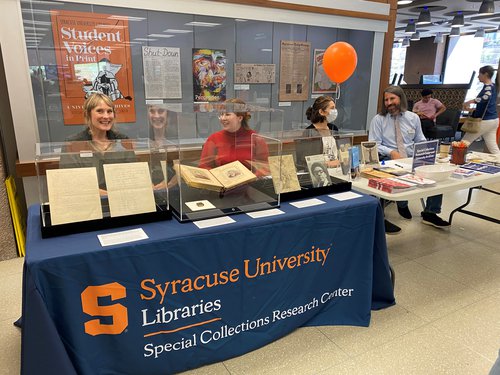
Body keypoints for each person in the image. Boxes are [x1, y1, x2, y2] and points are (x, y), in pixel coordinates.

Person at [369, 86, 450, 232]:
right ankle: (399, 205)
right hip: (389, 159)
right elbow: (374, 144)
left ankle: (430, 213)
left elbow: (421, 139)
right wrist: (392, 152)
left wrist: (429, 153)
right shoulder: (378, 120)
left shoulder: (413, 118)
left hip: (412, 157)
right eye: (386, 100)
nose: (389, 103)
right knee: (382, 175)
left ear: (401, 99)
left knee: (435, 174)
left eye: (392, 99)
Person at [62, 93, 134, 194]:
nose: (106, 116)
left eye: (109, 111)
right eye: (100, 111)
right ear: (88, 114)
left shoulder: (123, 141)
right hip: (87, 202)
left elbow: (132, 176)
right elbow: (69, 181)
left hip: (120, 200)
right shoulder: (73, 144)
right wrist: (96, 192)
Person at [199, 98, 269, 175]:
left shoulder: (256, 139)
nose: (222, 118)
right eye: (221, 114)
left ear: (240, 118)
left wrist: (251, 177)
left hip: (249, 184)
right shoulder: (213, 139)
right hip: (222, 184)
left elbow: (264, 167)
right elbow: (204, 167)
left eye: (227, 114)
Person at [463, 65, 499, 154]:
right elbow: (487, 103)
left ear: (485, 74)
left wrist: (470, 101)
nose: (478, 76)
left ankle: (456, 160)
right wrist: (472, 109)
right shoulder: (493, 86)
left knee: (463, 143)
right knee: (493, 146)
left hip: (485, 120)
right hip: (493, 119)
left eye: (479, 74)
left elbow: (485, 98)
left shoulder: (488, 87)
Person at [304, 96, 340, 167]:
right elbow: (309, 160)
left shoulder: (333, 128)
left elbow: (339, 151)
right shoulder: (309, 131)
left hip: (336, 169)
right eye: (332, 108)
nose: (335, 111)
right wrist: (328, 164)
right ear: (321, 112)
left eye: (335, 108)